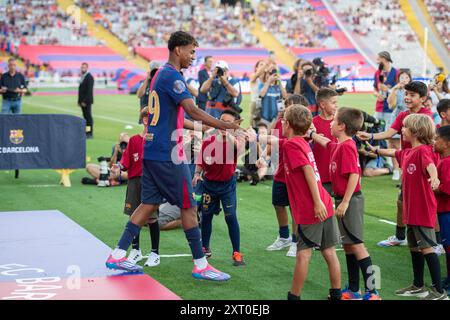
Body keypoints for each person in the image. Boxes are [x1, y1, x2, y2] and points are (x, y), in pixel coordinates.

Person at [105, 31, 241, 281]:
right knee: (188, 205)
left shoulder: (160, 75)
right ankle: (201, 264)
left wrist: (207, 127)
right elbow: (192, 109)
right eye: (191, 51)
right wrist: (224, 125)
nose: (193, 57)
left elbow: (179, 117)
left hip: (153, 151)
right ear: (177, 49)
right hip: (168, 154)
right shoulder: (172, 76)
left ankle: (117, 254)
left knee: (147, 205)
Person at [366, 114, 446, 300]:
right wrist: (374, 150)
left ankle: (439, 292)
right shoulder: (409, 151)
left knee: (427, 248)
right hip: (411, 210)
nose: (401, 131)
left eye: (404, 128)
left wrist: (434, 177)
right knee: (414, 248)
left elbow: (431, 167)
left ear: (416, 132)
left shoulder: (424, 151)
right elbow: (394, 153)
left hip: (423, 209)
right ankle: (418, 285)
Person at [310, 107, 381, 300]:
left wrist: (346, 202)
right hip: (343, 199)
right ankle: (354, 290)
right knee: (349, 245)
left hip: (351, 200)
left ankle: (373, 291)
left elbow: (354, 175)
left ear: (341, 126)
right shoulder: (339, 144)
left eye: (333, 121)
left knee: (358, 245)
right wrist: (312, 134)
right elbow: (325, 143)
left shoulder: (348, 146)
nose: (330, 124)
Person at [357, 81, 433, 247]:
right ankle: (400, 236)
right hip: (407, 164)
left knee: (429, 203)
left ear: (423, 98)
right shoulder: (403, 115)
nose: (407, 98)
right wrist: (369, 136)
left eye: (412, 95)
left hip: (424, 165)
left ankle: (436, 240)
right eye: (406, 94)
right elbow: (390, 133)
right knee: (402, 201)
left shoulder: (427, 115)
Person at [282, 105, 341, 301]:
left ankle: (294, 297)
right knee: (329, 251)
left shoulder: (291, 145)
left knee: (303, 255)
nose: (281, 123)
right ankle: (336, 294)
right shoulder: (302, 142)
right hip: (325, 202)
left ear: (288, 124)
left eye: (283, 120)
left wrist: (316, 202)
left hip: (312, 208)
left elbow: (307, 169)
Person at [193, 109, 245, 266]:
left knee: (230, 216)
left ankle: (236, 252)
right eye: (221, 120)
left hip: (227, 186)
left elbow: (238, 149)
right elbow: (201, 161)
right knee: (206, 217)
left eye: (227, 122)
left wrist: (228, 133)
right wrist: (197, 174)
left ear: (234, 126)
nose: (222, 124)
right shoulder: (209, 141)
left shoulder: (237, 140)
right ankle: (205, 248)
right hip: (209, 185)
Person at [111, 107, 160, 267]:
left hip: (151, 182)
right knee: (134, 216)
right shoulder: (134, 140)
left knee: (152, 219)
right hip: (134, 182)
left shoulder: (158, 139)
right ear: (145, 120)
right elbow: (125, 162)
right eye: (150, 117)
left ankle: (154, 253)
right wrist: (118, 166)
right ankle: (136, 250)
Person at [263, 94, 309, 258]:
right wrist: (263, 157)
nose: (285, 108)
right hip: (281, 172)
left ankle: (297, 241)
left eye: (289, 105)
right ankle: (284, 236)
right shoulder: (280, 123)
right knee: (278, 203)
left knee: (295, 209)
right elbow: (273, 142)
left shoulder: (305, 128)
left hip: (297, 175)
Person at [311, 88, 338, 195]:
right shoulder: (312, 123)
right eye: (333, 103)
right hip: (320, 175)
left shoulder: (340, 123)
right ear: (322, 105)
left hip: (337, 174)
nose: (336, 105)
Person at [433, 125, 450, 296]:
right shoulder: (442, 160)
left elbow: (447, 188)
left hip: (447, 212)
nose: (434, 141)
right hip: (444, 212)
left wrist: (431, 187)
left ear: (447, 144)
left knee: (449, 247)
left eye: (437, 138)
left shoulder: (446, 162)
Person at [387, 69, 412, 180]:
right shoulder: (396, 90)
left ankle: (403, 169)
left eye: (406, 78)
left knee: (402, 145)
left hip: (408, 118)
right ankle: (395, 170)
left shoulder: (412, 91)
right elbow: (391, 105)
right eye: (402, 78)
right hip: (395, 117)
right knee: (392, 143)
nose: (404, 80)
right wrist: (394, 90)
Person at [373, 51, 398, 123]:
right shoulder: (377, 73)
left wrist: (388, 90)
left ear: (384, 59)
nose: (377, 62)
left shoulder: (396, 72)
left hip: (391, 108)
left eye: (378, 59)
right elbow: (374, 89)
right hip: (378, 107)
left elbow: (400, 91)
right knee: (374, 129)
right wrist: (377, 94)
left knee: (388, 131)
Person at [78, 62, 95, 138]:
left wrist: (84, 101)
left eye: (84, 67)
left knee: (88, 118)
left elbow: (89, 91)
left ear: (87, 68)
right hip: (82, 102)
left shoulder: (89, 77)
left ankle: (89, 133)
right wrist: (79, 101)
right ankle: (86, 132)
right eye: (82, 67)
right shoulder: (83, 76)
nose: (83, 69)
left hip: (87, 102)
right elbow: (81, 90)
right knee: (85, 117)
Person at [249, 60, 266, 128]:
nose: (263, 66)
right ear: (256, 68)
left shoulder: (267, 78)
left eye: (264, 65)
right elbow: (257, 74)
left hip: (265, 103)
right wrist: (266, 64)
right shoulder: (254, 76)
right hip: (255, 103)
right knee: (254, 124)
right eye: (261, 65)